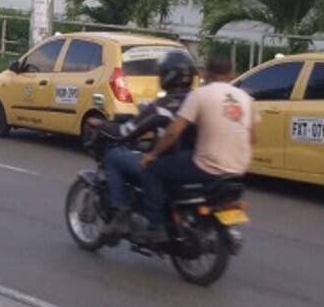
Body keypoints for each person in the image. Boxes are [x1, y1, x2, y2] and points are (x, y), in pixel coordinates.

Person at [137, 54, 257, 245]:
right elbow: (253, 138)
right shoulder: (245, 98)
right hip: (239, 168)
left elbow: (173, 133)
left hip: (208, 166)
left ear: (206, 72)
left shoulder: (200, 94)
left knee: (152, 169)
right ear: (231, 73)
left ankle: (156, 226)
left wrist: (152, 154)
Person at [96, 49, 198, 235]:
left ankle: (120, 213)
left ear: (168, 76)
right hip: (192, 162)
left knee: (113, 156)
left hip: (165, 163)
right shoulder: (198, 99)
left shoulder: (162, 107)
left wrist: (101, 125)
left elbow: (124, 132)